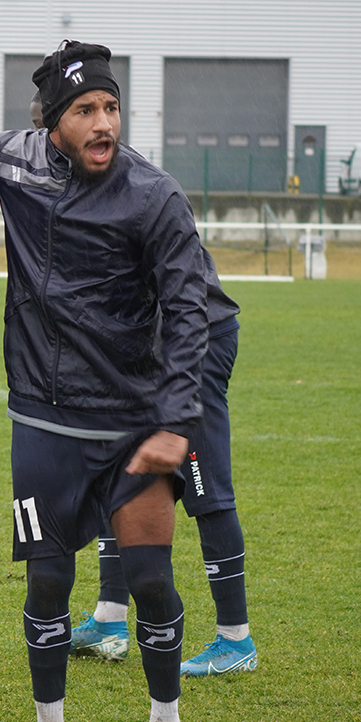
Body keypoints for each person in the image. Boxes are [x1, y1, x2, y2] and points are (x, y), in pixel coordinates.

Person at [0, 41, 206, 722]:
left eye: (110, 106)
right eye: (84, 110)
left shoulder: (154, 196)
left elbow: (189, 310)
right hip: (42, 429)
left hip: (135, 433)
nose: (103, 122)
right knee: (45, 585)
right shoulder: (13, 164)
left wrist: (174, 421)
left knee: (150, 581)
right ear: (52, 121)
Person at [70, 266, 257, 677]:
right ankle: (109, 618)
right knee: (120, 467)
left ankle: (235, 638)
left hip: (194, 342)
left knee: (206, 485)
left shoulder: (146, 201)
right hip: (145, 344)